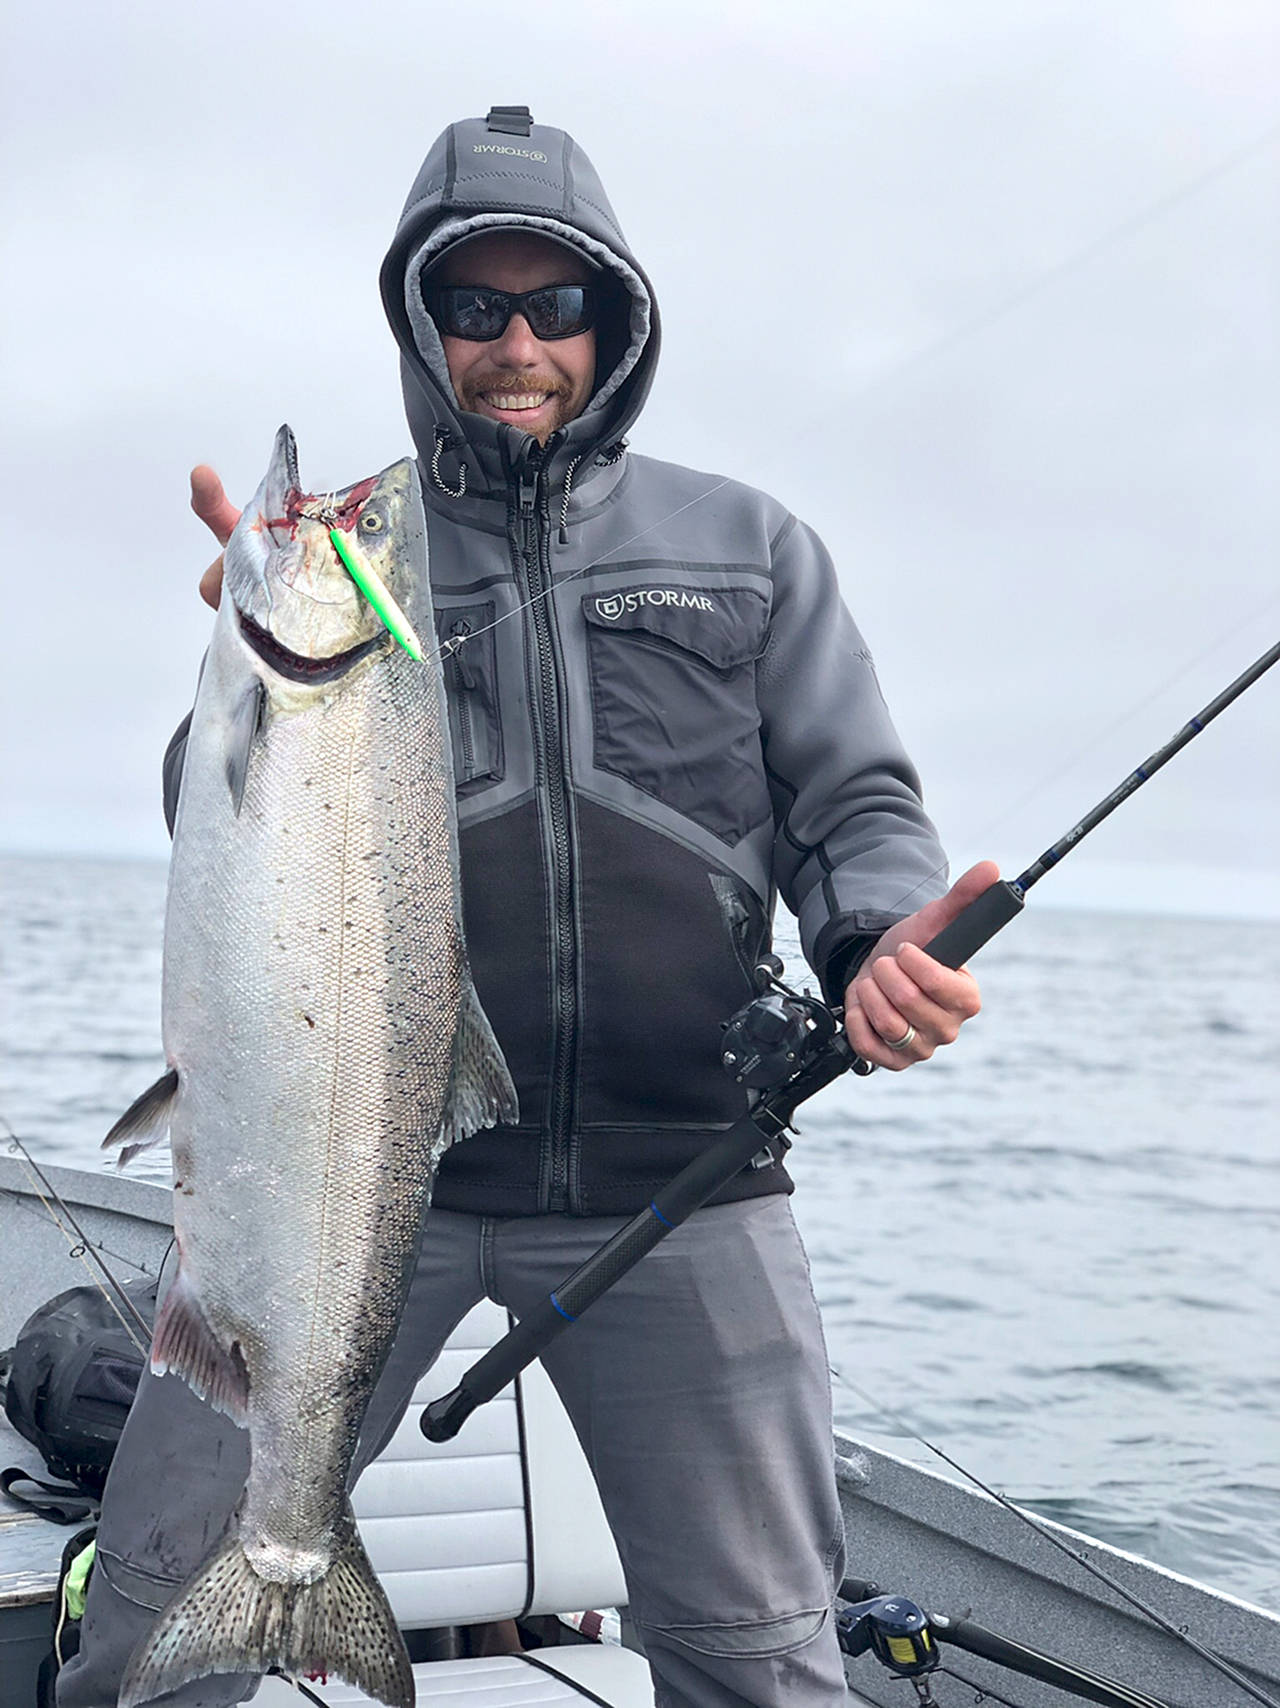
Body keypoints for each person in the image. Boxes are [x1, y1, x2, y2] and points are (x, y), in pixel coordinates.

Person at [60, 108, 991, 1708]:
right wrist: (239, 686)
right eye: (473, 304)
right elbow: (208, 837)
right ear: (422, 327)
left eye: (555, 305)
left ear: (613, 321)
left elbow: (857, 809)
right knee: (148, 1624)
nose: (516, 344)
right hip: (357, 1184)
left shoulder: (749, 547)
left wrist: (882, 937)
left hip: (681, 1180)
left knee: (762, 1661)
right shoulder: (354, 553)